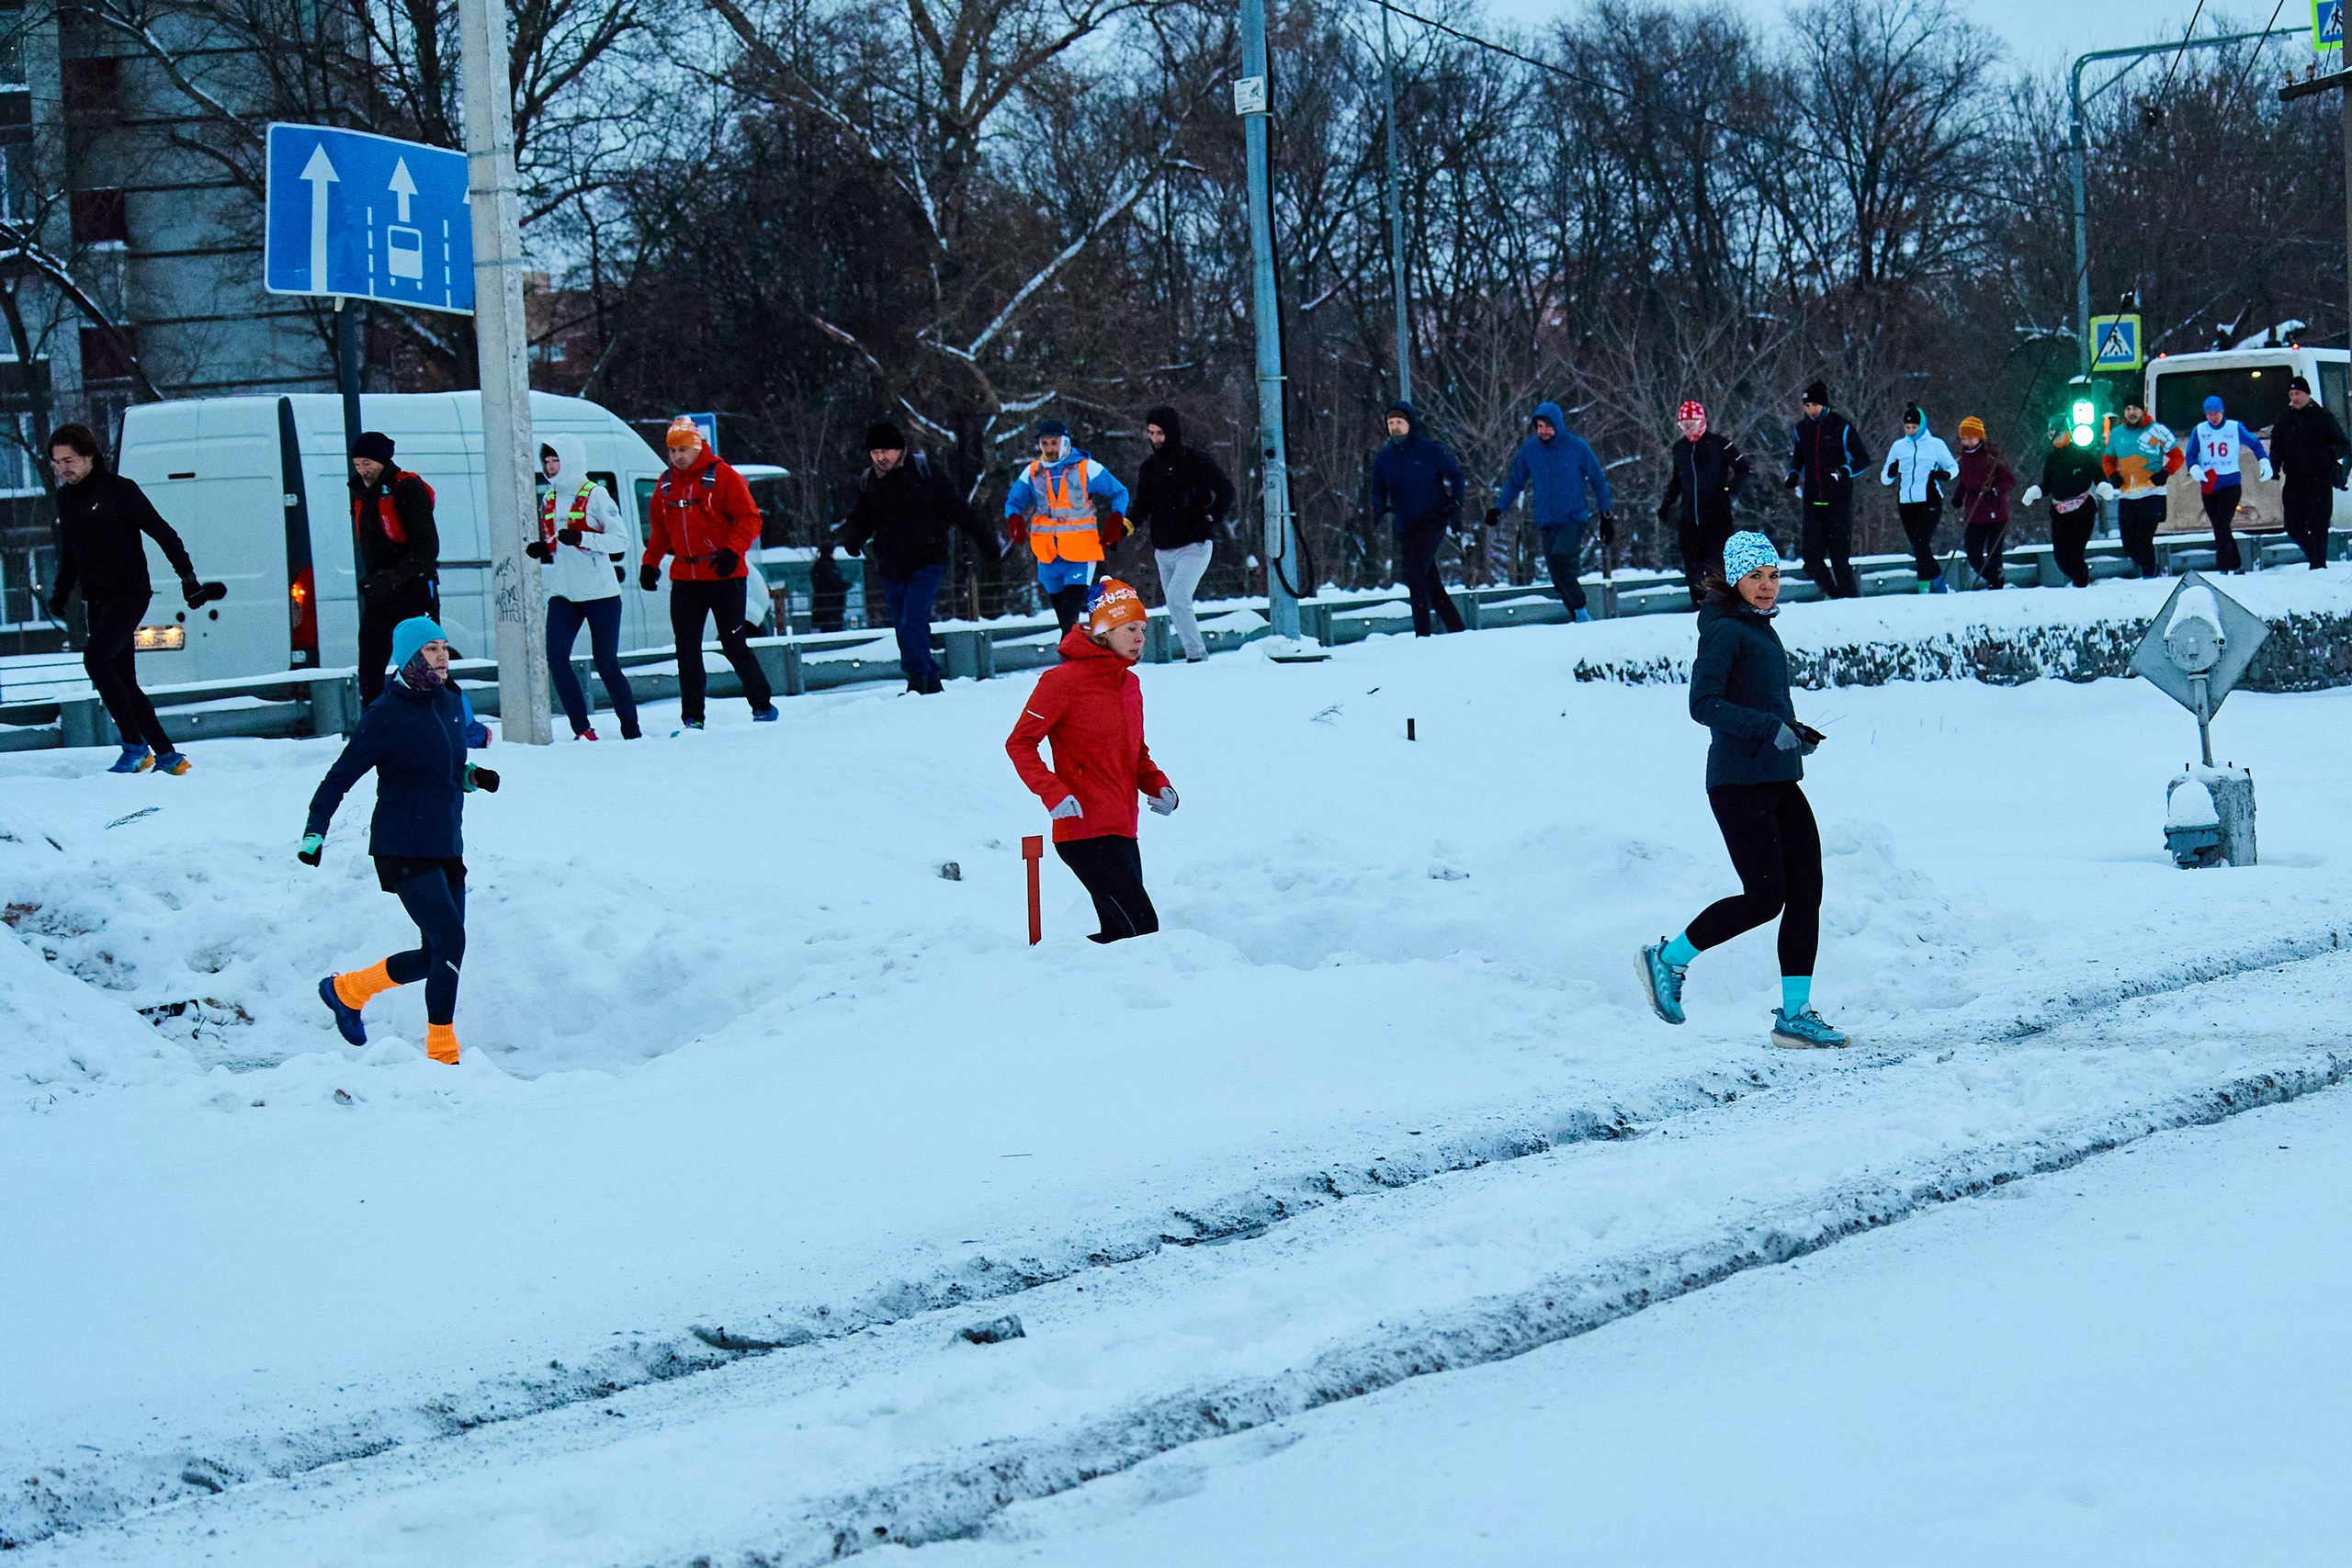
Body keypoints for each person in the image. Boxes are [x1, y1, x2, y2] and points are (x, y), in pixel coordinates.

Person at [1638, 531, 1841, 1049]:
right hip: (1737, 784)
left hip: (1777, 778)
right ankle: (1667, 959)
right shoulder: (1724, 630)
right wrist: (1765, 729)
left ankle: (1794, 1016)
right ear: (1735, 579)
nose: (1768, 586)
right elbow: (1703, 705)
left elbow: (1761, 702)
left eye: (1773, 576)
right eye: (1756, 577)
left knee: (1806, 890)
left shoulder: (1759, 628)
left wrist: (1792, 732)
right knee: (1764, 897)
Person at [301, 615, 499, 1066]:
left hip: (447, 843)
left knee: (436, 954)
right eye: (432, 649)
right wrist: (315, 832)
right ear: (411, 658)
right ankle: (443, 1055)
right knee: (451, 942)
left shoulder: (451, 701)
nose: (444, 656)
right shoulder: (385, 715)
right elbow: (338, 779)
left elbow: (441, 768)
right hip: (402, 847)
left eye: (445, 647)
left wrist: (472, 777)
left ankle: (347, 990)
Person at [1005, 579, 1176, 943]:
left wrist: (1161, 786)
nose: (1140, 637)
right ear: (1105, 631)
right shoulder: (1061, 682)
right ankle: (1043, 973)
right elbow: (1020, 743)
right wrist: (1052, 792)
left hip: (1123, 829)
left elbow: (1136, 753)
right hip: (1081, 831)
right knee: (1142, 930)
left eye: (1143, 630)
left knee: (1121, 935)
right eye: (1131, 628)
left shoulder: (1130, 685)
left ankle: (1076, 983)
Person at [42, 423, 215, 775]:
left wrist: (188, 577)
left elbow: (163, 532)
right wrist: (60, 593)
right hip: (98, 598)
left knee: (97, 660)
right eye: (56, 463)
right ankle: (167, 756)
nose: (63, 469)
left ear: (89, 455)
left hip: (130, 593)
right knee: (123, 679)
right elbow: (71, 552)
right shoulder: (65, 499)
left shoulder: (118, 490)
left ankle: (135, 746)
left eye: (69, 460)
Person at [841, 421, 995, 693]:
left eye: (885, 451)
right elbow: (861, 517)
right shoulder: (870, 482)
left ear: (900, 450)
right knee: (904, 627)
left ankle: (917, 680)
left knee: (913, 620)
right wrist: (853, 538)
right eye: (874, 452)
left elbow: (960, 510)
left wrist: (986, 541)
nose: (880, 458)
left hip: (927, 561)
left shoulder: (926, 474)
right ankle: (930, 681)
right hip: (891, 565)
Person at [642, 416, 775, 728]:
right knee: (686, 649)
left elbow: (750, 518)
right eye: (673, 450)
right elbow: (660, 531)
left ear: (698, 446)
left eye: (684, 449)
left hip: (724, 574)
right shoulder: (665, 484)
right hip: (686, 578)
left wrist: (733, 551)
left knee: (733, 644)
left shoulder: (723, 477)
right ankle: (692, 717)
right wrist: (650, 563)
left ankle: (762, 705)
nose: (678, 456)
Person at [526, 434, 639, 739]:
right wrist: (543, 548)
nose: (550, 468)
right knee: (557, 658)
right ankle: (582, 729)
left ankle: (631, 729)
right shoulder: (548, 497)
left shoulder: (596, 495)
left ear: (571, 461)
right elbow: (555, 540)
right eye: (547, 461)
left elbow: (621, 541)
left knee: (605, 662)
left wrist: (583, 538)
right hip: (564, 591)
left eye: (555, 460)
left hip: (601, 592)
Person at [1489, 400, 1614, 621]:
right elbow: (1515, 482)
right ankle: (1578, 621)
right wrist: (1499, 509)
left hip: (1573, 518)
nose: (1542, 431)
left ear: (1557, 425)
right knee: (1558, 577)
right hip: (1546, 521)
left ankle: (1582, 613)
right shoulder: (1531, 450)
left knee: (1559, 562)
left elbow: (1598, 480)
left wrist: (1606, 515)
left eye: (1547, 426)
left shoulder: (1577, 447)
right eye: (1538, 426)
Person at [1128, 405, 1235, 662]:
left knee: (1177, 599)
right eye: (1151, 433)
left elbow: (1225, 490)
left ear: (1172, 432)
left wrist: (1211, 515)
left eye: (1160, 433)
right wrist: (1125, 526)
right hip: (1163, 548)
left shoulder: (1195, 461)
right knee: (1175, 604)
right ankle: (1194, 654)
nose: (1155, 439)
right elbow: (1142, 504)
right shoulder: (1149, 468)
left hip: (1194, 544)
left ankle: (1197, 656)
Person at [1005, 418, 1131, 635]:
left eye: (1054, 443)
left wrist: (1115, 519)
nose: (1049, 448)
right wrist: (1014, 520)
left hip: (1080, 553)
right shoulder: (1033, 471)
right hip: (1047, 555)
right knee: (1063, 617)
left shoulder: (1086, 467)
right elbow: (1013, 501)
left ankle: (1071, 658)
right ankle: (1076, 654)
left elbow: (1120, 491)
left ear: (1064, 442)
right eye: (1045, 443)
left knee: (1069, 614)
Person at [349, 431, 440, 706]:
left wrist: (393, 577)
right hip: (380, 595)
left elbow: (427, 548)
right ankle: (374, 728)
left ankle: (457, 725)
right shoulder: (361, 494)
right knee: (370, 668)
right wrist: (374, 581)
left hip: (414, 591)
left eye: (367, 463)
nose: (362, 471)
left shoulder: (407, 488)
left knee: (425, 666)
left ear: (383, 460)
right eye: (357, 465)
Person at [1369, 400, 1466, 636]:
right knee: (1428, 577)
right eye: (1391, 423)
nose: (1395, 427)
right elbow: (1377, 487)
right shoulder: (1385, 458)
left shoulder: (1428, 450)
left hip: (1433, 519)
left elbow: (1456, 475)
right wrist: (1379, 506)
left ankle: (1422, 634)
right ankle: (1457, 628)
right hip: (1406, 524)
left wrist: (1455, 504)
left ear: (1410, 424)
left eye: (1399, 422)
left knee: (1413, 571)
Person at [1657, 400, 1752, 602]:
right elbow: (1677, 480)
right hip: (1689, 516)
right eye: (1683, 426)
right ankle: (1698, 605)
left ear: (1701, 422)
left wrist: (1729, 490)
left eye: (1691, 425)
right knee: (1692, 564)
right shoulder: (1680, 449)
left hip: (1717, 515)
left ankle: (1720, 604)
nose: (1688, 430)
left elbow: (1743, 469)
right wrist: (1666, 504)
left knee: (1715, 563)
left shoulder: (1719, 444)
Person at [1783, 380, 1869, 599]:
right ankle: (1834, 594)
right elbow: (1798, 459)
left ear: (1823, 404)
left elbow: (1863, 459)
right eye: (1806, 406)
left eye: (1814, 405)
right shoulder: (1802, 429)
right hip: (1812, 501)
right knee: (1811, 558)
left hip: (1838, 501)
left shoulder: (1841, 427)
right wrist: (1793, 474)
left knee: (1840, 558)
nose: (1810, 410)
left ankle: (1850, 600)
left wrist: (1844, 471)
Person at [2180, 394, 2272, 574]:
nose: (2213, 418)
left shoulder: (2234, 428)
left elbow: (2255, 444)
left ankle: (2222, 568)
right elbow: (2191, 454)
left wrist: (2264, 461)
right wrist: (2194, 468)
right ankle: (2236, 565)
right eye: (2209, 414)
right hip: (2209, 484)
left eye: (2216, 413)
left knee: (2222, 525)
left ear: (2222, 412)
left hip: (2230, 483)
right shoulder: (2199, 430)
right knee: (2220, 527)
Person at [2267, 375, 2350, 568]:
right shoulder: (2284, 418)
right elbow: (2277, 446)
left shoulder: (2323, 416)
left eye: (2298, 393)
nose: (2294, 397)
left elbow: (2343, 444)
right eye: (2291, 393)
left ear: (2307, 395)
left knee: (2319, 525)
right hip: (2295, 479)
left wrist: (2329, 454)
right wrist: (2274, 466)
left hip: (2319, 478)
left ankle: (2318, 565)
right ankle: (2314, 556)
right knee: (2292, 526)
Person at [2020, 417, 2108, 588]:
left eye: (2059, 434)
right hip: (2060, 511)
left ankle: (2081, 583)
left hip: (2082, 510)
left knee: (2075, 551)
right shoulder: (2051, 459)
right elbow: (2048, 485)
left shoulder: (2081, 455)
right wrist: (2035, 492)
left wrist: (2103, 486)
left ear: (2068, 433)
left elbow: (2097, 475)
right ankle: (2077, 579)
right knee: (2060, 555)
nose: (2056, 438)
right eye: (2052, 434)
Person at [1878, 405, 1958, 592]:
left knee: (1921, 543)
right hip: (1906, 503)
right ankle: (1938, 581)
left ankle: (1924, 586)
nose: (1911, 431)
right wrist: (1890, 472)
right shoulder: (1898, 447)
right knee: (1918, 547)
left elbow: (1953, 467)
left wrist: (1944, 475)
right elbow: (1885, 479)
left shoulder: (1935, 445)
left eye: (1914, 427)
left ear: (1921, 426)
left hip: (1930, 500)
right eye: (1907, 428)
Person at [2100, 394, 2180, 577]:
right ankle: (2151, 571)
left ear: (2142, 410)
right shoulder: (2117, 434)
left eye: (2135, 408)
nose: (2131, 413)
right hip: (2127, 496)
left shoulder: (2158, 430)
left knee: (2144, 539)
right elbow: (2107, 460)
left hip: (2152, 494)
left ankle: (2149, 576)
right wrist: (2113, 475)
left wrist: (2165, 473)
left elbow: (2177, 456)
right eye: (2127, 409)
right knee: (2128, 543)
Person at [1951, 416, 2015, 589]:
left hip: (1996, 513)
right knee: (1973, 555)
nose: (1967, 442)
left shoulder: (1992, 456)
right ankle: (1993, 578)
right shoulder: (1962, 460)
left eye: (1970, 438)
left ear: (1979, 437)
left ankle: (1997, 580)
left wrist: (1995, 491)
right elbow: (1963, 483)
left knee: (1994, 554)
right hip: (1974, 513)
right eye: (1964, 438)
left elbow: (2009, 481)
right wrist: (1958, 496)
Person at [809, 542, 850, 631]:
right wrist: (846, 585)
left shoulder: (816, 566)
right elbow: (835, 583)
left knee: (825, 628)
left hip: (820, 604)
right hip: (832, 604)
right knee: (833, 628)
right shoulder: (829, 566)